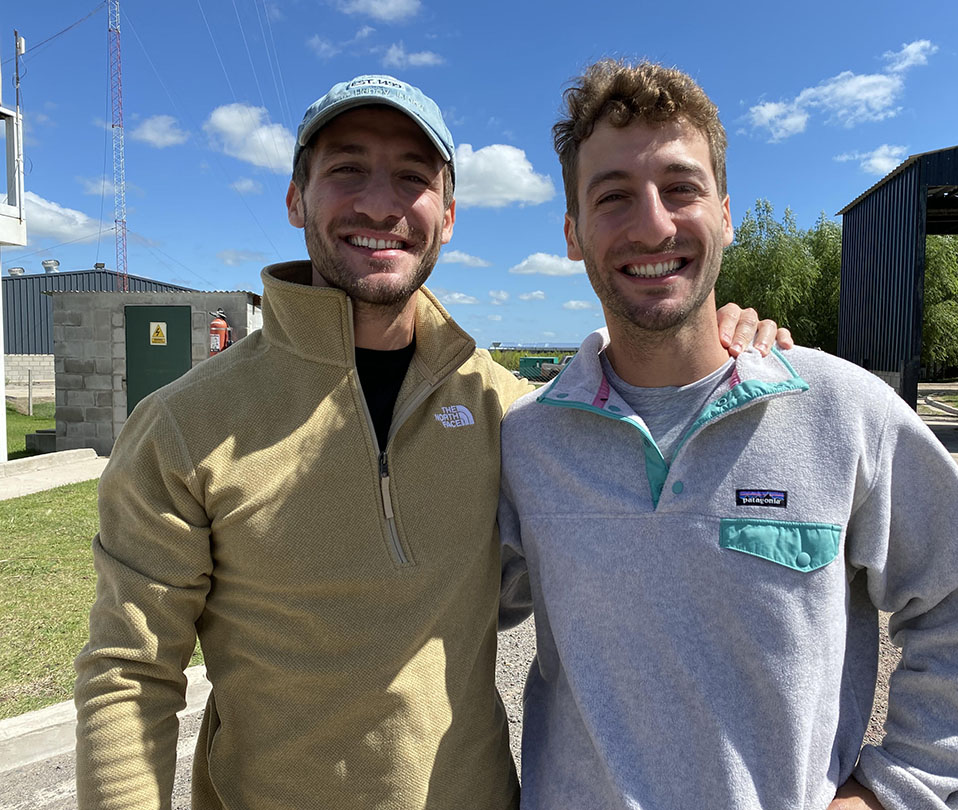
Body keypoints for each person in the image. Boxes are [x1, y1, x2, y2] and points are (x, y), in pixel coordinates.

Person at [73, 74, 782, 809]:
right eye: (347, 169)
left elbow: (645, 416)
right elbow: (129, 674)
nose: (380, 203)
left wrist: (725, 338)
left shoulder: (510, 411)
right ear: (295, 199)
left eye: (412, 178)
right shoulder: (184, 426)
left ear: (447, 216)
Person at [498, 60, 958, 810]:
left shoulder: (844, 412)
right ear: (573, 234)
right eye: (613, 196)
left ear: (727, 214)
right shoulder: (526, 442)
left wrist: (888, 795)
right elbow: (428, 618)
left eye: (682, 188)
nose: (653, 223)